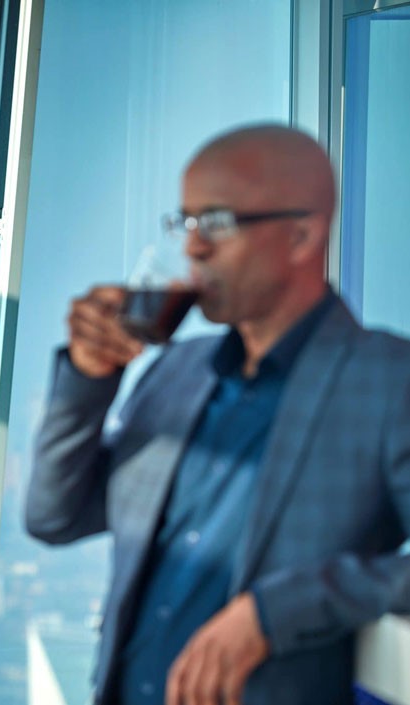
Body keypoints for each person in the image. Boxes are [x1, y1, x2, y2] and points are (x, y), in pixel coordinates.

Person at [25, 125, 410, 705]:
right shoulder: (176, 372)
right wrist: (89, 377)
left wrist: (277, 611)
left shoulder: (387, 379)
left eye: (218, 223)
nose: (193, 248)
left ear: (302, 236)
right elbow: (55, 516)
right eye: (187, 223)